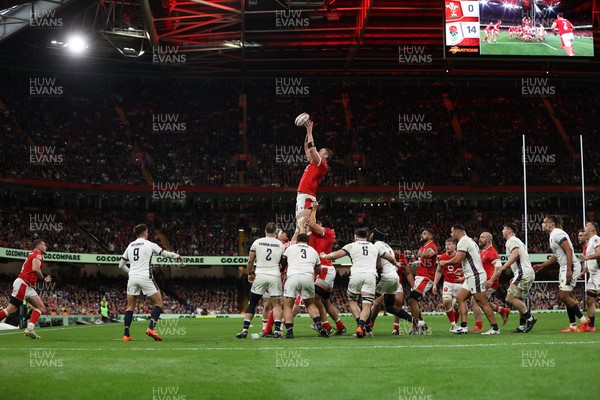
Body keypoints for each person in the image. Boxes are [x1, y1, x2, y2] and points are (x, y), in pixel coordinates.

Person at [321, 228, 404, 338]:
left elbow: (337, 254)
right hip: (371, 276)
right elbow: (389, 257)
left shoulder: (351, 245)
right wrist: (396, 263)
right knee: (367, 305)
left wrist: (325, 256)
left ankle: (360, 324)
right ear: (366, 237)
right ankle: (361, 326)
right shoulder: (374, 246)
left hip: (356, 274)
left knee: (352, 299)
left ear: (355, 236)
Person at [118, 224, 184, 341]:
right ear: (144, 232)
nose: (148, 234)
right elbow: (165, 254)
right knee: (158, 303)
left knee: (130, 307)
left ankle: (126, 335)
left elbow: (120, 265)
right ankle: (151, 328)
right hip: (145, 276)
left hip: (132, 277)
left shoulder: (130, 245)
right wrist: (177, 256)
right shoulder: (149, 244)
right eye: (147, 232)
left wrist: (131, 273)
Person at [439, 224, 500, 335]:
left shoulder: (463, 241)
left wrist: (445, 262)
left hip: (475, 275)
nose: (451, 234)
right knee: (460, 298)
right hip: (470, 276)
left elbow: (458, 259)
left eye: (452, 232)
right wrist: (463, 271)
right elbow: (470, 259)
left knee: (481, 302)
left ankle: (495, 328)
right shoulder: (470, 241)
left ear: (457, 232)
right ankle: (464, 327)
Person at [534, 215, 588, 332]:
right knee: (567, 297)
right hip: (565, 266)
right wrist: (542, 265)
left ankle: (584, 320)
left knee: (563, 295)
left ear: (551, 224)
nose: (543, 224)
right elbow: (556, 256)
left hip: (570, 266)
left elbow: (568, 249)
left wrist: (569, 269)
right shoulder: (552, 235)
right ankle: (573, 326)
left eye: (545, 222)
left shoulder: (557, 233)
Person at [237, 222, 286, 338]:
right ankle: (277, 331)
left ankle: (244, 329)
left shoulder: (257, 242)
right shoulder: (280, 244)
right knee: (277, 304)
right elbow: (283, 263)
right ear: (275, 232)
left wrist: (250, 273)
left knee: (252, 302)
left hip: (260, 274)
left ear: (265, 231)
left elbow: (250, 261)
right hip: (274, 274)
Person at [369, 228, 421, 336]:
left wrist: (413, 287)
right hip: (393, 280)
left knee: (368, 301)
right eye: (395, 248)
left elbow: (407, 273)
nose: (396, 251)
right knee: (386, 306)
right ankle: (417, 322)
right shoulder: (387, 248)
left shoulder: (377, 246)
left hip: (386, 279)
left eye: (398, 249)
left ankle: (365, 327)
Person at [486, 223, 537, 333]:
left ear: (509, 231)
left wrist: (505, 266)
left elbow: (516, 253)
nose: (502, 231)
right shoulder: (518, 241)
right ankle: (522, 326)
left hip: (523, 273)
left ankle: (530, 318)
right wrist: (515, 276)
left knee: (510, 298)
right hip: (526, 272)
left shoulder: (511, 240)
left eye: (504, 229)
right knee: (519, 299)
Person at [307, 202, 346, 335]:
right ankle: (340, 325)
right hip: (328, 269)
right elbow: (310, 227)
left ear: (321, 224)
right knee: (325, 301)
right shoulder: (322, 234)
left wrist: (314, 209)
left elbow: (312, 225)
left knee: (313, 300)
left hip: (324, 269)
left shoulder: (327, 232)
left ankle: (325, 325)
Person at [0, 239, 51, 339]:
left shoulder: (33, 254)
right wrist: (43, 279)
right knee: (10, 310)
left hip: (27, 286)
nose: (46, 247)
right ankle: (30, 329)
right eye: (44, 245)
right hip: (24, 284)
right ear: (38, 246)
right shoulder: (38, 254)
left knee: (40, 307)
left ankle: (30, 329)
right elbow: (35, 269)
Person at [281, 233, 328, 338]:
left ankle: (289, 332)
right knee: (310, 304)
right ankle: (319, 325)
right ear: (308, 241)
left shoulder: (290, 248)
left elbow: (282, 265)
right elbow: (319, 270)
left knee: (288, 306)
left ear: (297, 240)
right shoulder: (313, 251)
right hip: (308, 278)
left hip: (293, 277)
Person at [470, 232, 511, 332]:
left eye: (482, 237)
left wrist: (491, 280)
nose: (479, 239)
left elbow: (499, 269)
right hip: (483, 281)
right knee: (482, 302)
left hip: (489, 282)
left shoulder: (492, 252)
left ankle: (480, 326)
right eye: (479, 237)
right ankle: (502, 310)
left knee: (475, 301)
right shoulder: (483, 251)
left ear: (489, 240)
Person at [295, 120, 333, 220]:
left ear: (325, 155)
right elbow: (307, 148)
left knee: (301, 225)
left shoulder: (323, 164)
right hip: (304, 195)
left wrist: (310, 132)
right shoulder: (314, 163)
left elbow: (312, 149)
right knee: (300, 227)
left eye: (320, 151)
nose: (318, 151)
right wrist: (307, 133)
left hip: (306, 195)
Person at [409, 228, 438, 334]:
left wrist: (419, 254)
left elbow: (430, 253)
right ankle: (422, 324)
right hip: (419, 277)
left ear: (430, 236)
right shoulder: (422, 247)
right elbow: (421, 254)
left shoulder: (432, 246)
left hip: (426, 277)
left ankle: (415, 328)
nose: (421, 235)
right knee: (413, 301)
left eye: (424, 234)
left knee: (413, 299)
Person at [433, 238, 464, 331]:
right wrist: (435, 284)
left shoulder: (460, 256)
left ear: (455, 246)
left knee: (456, 306)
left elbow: (466, 269)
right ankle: (454, 325)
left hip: (459, 283)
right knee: (446, 302)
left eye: (450, 244)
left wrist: (463, 277)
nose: (447, 246)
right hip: (447, 283)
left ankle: (456, 324)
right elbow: (438, 271)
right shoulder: (442, 257)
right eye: (446, 244)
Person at [579, 221, 600, 332]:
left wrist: (587, 258)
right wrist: (583, 272)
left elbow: (599, 252)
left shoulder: (596, 239)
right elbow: (591, 262)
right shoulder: (590, 242)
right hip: (593, 275)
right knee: (589, 299)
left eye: (587, 225)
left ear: (592, 229)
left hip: (599, 273)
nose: (585, 227)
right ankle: (591, 325)